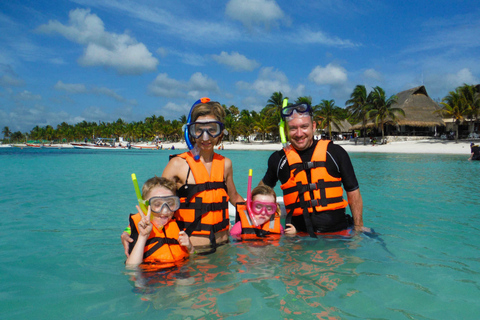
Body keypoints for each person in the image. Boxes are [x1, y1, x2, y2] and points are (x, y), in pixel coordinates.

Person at [121, 100, 243, 255]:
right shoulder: (177, 164)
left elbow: (235, 197)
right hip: (192, 251)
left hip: (224, 248)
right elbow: (154, 202)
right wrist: (129, 230)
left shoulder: (225, 164)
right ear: (190, 131)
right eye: (199, 130)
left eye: (212, 129)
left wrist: (265, 212)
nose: (205, 137)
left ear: (221, 132)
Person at [260, 102, 369, 237]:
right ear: (286, 130)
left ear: (313, 126)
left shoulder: (335, 153)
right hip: (298, 237)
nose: (299, 134)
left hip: (339, 235)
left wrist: (358, 228)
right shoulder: (278, 159)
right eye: (293, 128)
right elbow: (261, 191)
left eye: (304, 127)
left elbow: (353, 191)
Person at [125, 176, 192, 267]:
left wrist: (190, 247)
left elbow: (193, 256)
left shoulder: (178, 222)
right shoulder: (141, 227)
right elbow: (131, 268)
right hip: (150, 275)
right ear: (146, 205)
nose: (165, 211)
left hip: (178, 271)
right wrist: (143, 236)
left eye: (170, 203)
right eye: (157, 204)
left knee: (185, 281)